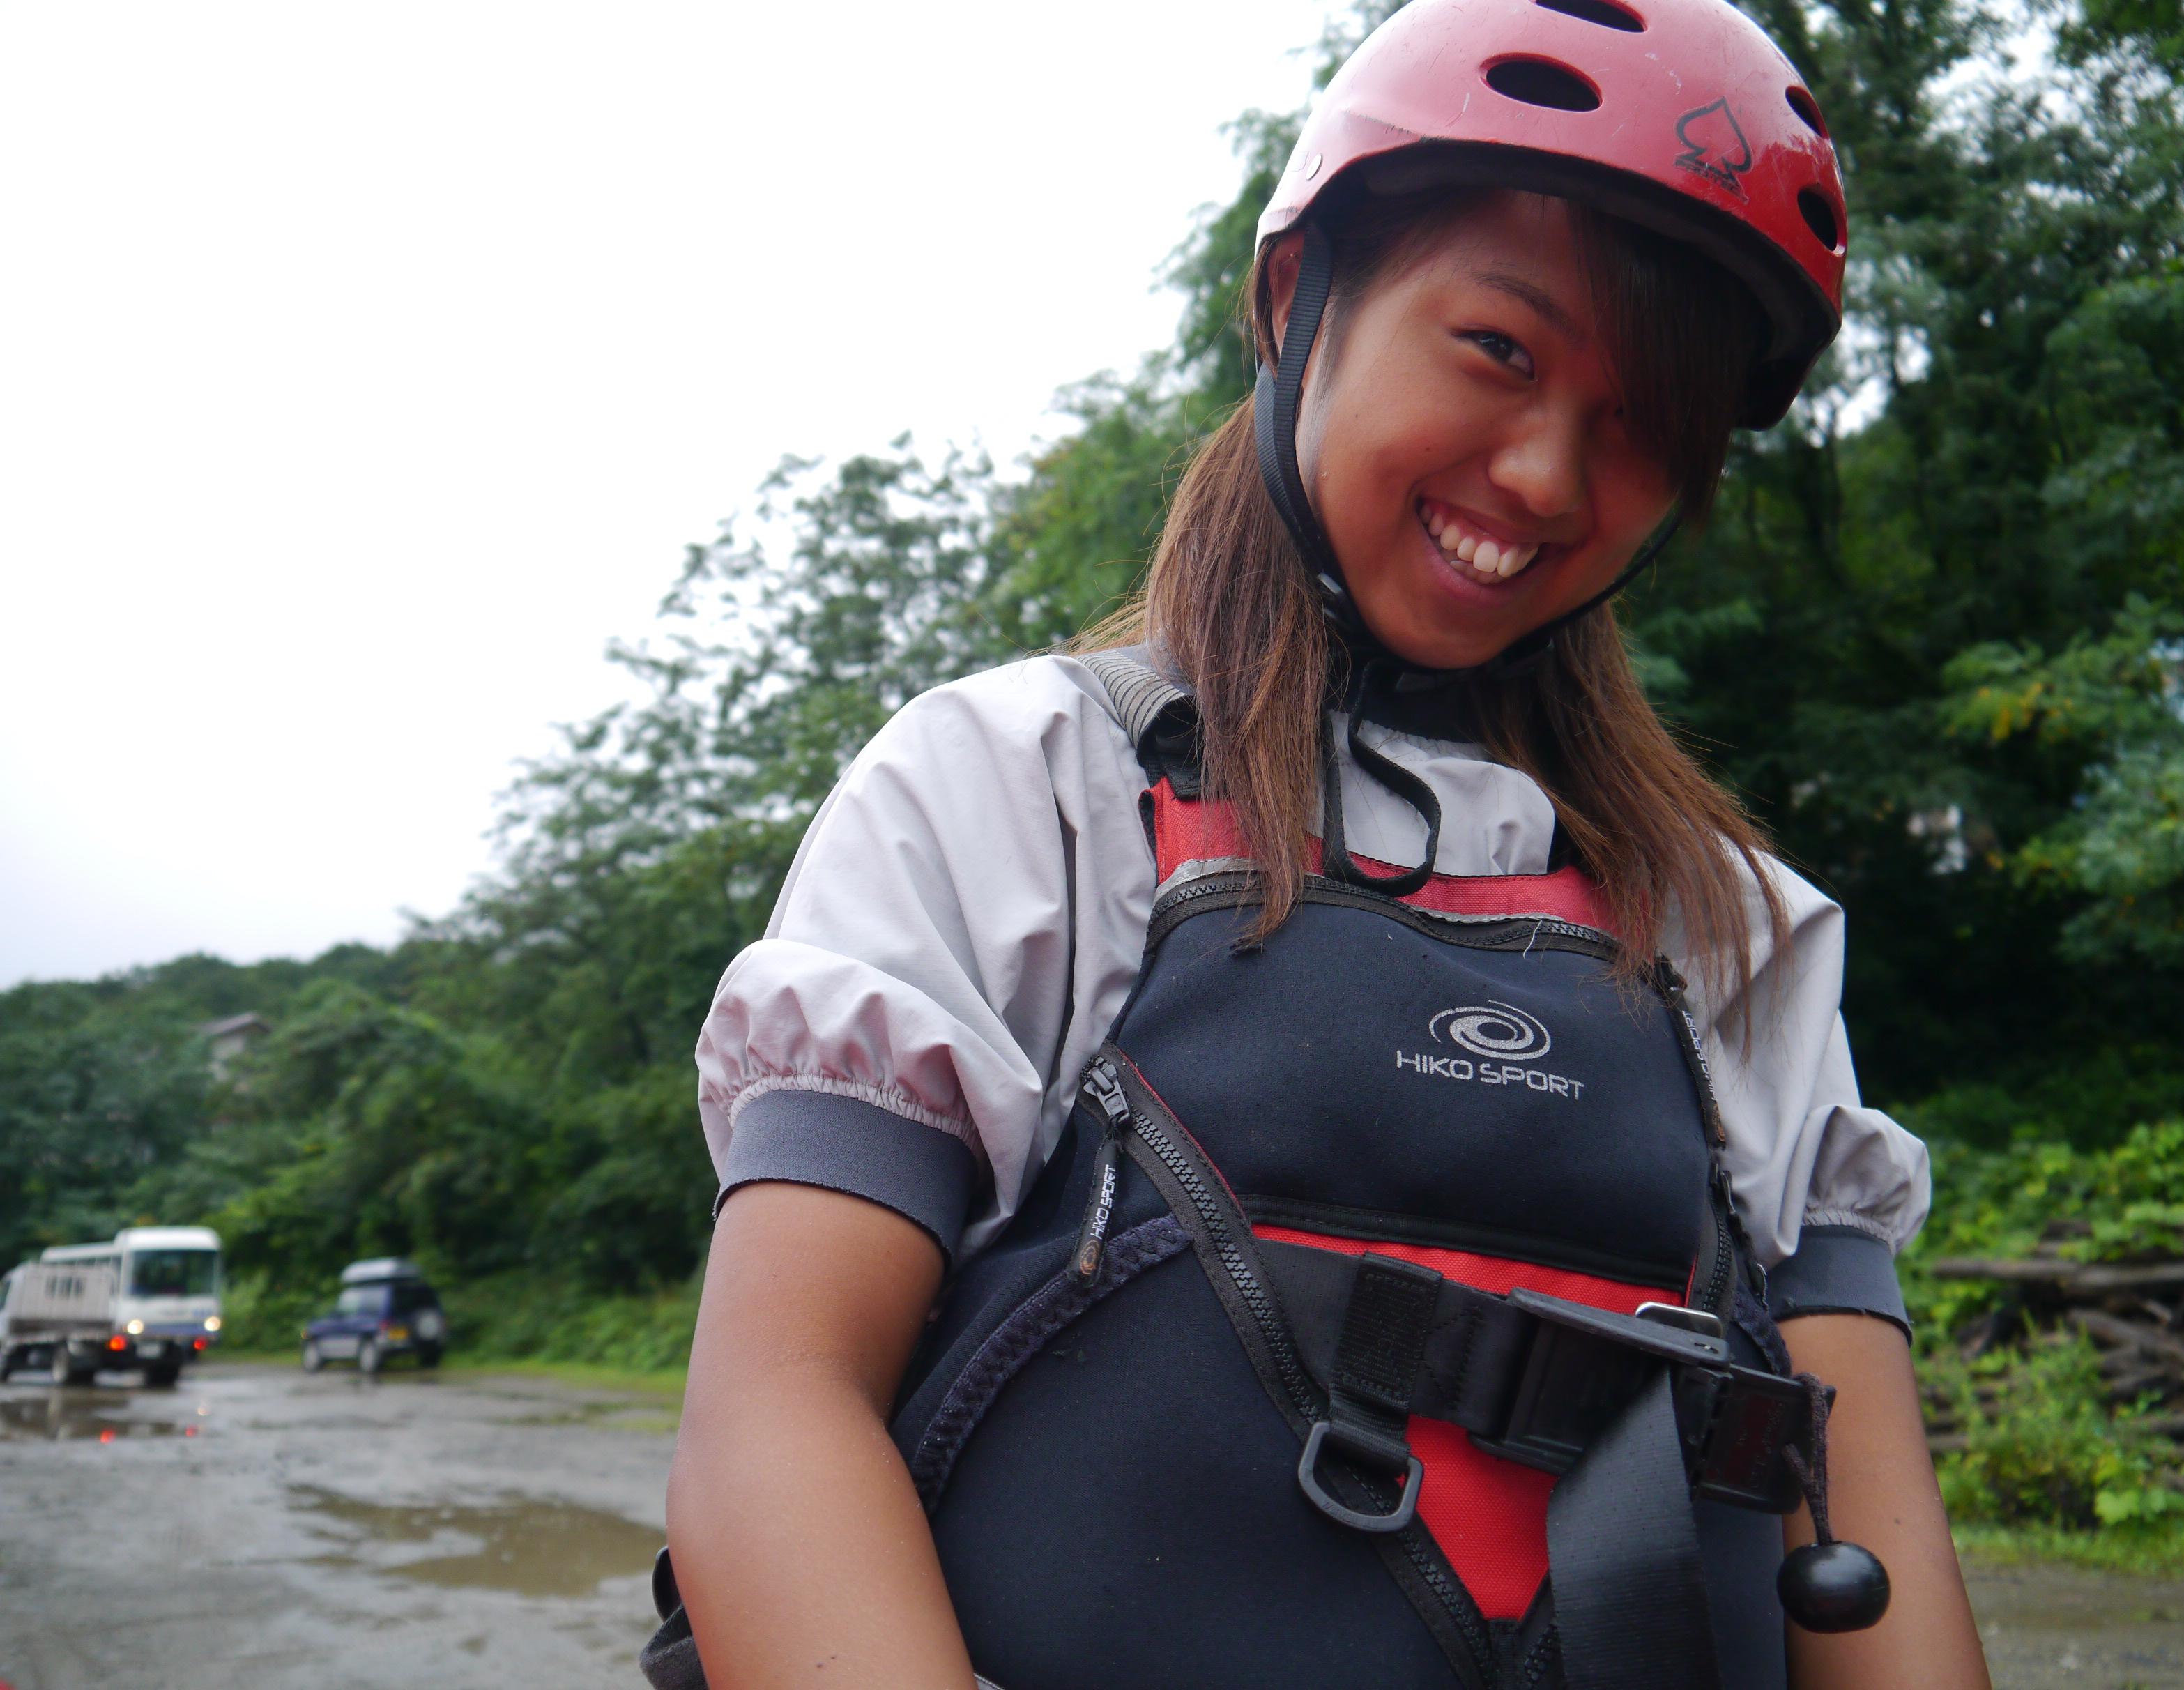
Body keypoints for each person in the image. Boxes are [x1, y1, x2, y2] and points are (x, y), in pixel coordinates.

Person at [654, 1, 1990, 1685]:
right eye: (1497, 348)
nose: (1544, 475)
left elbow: (1874, 1517)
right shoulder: (1022, 788)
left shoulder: (1732, 929)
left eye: (1645, 421)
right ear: (1300, 293)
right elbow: (774, 1414)